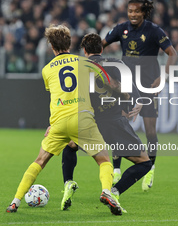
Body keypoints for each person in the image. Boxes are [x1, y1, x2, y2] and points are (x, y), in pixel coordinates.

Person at [6, 24, 123, 215]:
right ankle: (106, 191)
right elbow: (110, 83)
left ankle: (15, 201)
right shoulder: (85, 63)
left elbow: (56, 95)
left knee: (40, 160)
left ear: (52, 47)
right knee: (103, 160)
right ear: (70, 43)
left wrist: (52, 124)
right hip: (83, 118)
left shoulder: (47, 70)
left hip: (58, 123)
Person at [59, 33, 152, 211]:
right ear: (102, 49)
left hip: (88, 121)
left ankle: (68, 183)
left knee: (70, 145)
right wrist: (137, 102)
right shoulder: (115, 63)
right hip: (113, 120)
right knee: (144, 162)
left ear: (84, 51)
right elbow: (130, 89)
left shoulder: (78, 66)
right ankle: (114, 191)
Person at [102, 0, 178, 191]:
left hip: (147, 87)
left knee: (150, 131)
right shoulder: (121, 29)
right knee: (118, 124)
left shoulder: (154, 31)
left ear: (144, 13)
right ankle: (117, 169)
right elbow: (101, 45)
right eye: (130, 11)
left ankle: (150, 167)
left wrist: (164, 77)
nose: (133, 14)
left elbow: (173, 53)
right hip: (126, 86)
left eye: (136, 11)